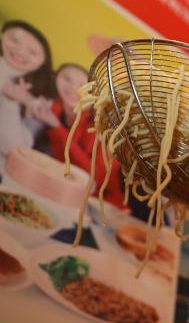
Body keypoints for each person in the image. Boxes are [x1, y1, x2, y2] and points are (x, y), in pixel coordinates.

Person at [30, 63, 126, 207]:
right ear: (55, 80)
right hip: (55, 191)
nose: (74, 88)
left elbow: (96, 177)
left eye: (83, 84)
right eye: (66, 79)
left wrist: (56, 128)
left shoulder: (106, 126)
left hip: (99, 206)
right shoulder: (53, 108)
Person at [0, 20, 55, 167]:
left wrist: (10, 101)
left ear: (44, 60)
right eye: (14, 40)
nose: (20, 52)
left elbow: (13, 148)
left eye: (33, 52)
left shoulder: (41, 99)